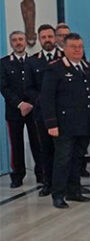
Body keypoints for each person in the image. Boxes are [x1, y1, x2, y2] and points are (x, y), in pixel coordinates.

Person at [40, 33, 90, 208]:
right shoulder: (55, 68)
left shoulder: (85, 67)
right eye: (73, 47)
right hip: (63, 124)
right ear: (64, 48)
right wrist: (51, 123)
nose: (78, 50)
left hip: (83, 123)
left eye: (80, 47)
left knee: (78, 158)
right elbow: (47, 98)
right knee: (62, 160)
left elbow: (89, 97)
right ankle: (58, 194)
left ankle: (74, 190)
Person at [23, 24, 64, 196]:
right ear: (39, 40)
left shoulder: (64, 58)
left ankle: (69, 183)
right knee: (45, 150)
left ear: (55, 38)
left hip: (64, 112)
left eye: (50, 36)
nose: (47, 40)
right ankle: (48, 183)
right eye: (44, 37)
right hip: (43, 115)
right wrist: (44, 100)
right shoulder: (32, 61)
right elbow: (28, 88)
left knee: (66, 150)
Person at [1, 31, 41, 188]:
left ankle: (41, 174)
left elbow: (39, 85)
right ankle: (17, 175)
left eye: (20, 39)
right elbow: (4, 88)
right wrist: (19, 104)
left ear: (25, 42)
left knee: (37, 143)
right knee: (16, 144)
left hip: (34, 109)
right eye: (15, 40)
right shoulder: (3, 63)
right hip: (14, 111)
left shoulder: (35, 62)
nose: (18, 42)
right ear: (11, 43)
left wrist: (31, 104)